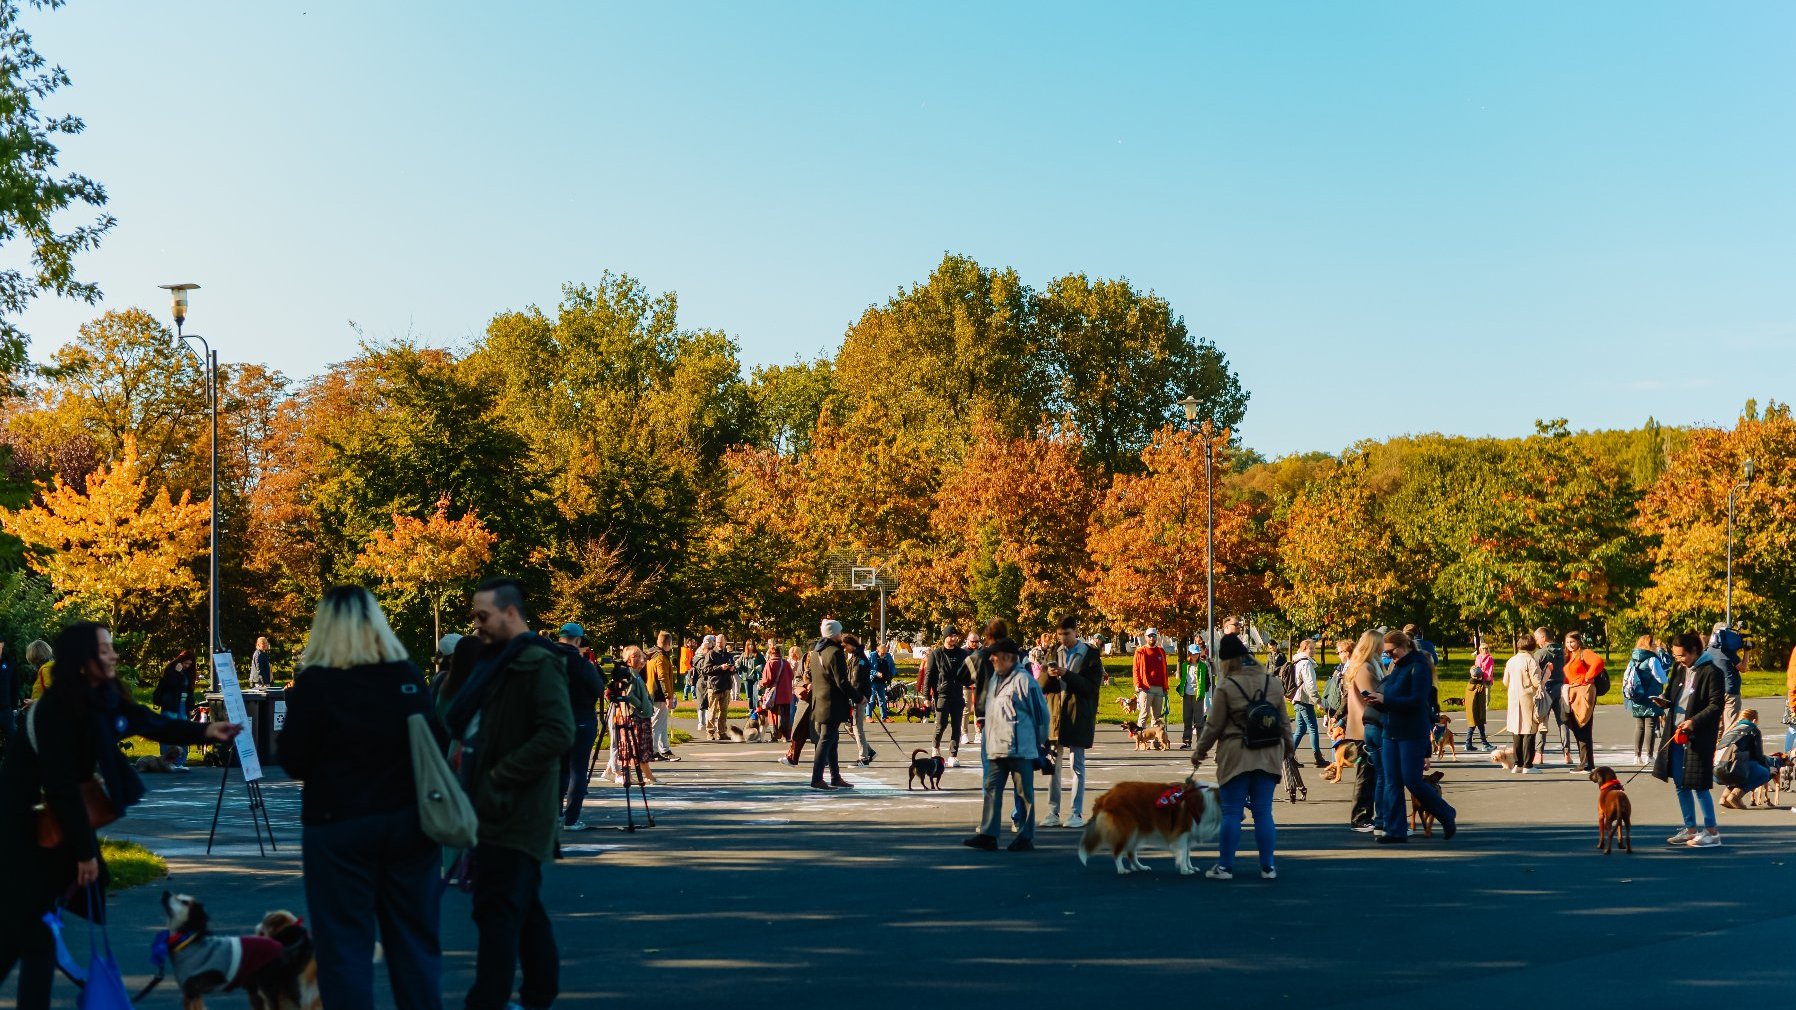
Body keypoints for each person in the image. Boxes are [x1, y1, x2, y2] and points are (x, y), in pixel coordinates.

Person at [0, 621, 238, 1009]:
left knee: (26, 932)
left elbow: (146, 720)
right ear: (82, 660)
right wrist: (84, 853)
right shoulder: (55, 711)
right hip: (24, 831)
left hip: (52, 828)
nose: (113, 655)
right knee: (32, 934)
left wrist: (207, 732)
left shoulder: (102, 697)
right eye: (104, 649)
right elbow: (60, 786)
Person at [277, 587, 446, 1010]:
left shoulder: (315, 681)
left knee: (344, 947)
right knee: (414, 942)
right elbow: (436, 741)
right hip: (409, 821)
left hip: (338, 822)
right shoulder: (405, 675)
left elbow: (294, 760)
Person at [445, 578, 575, 1010]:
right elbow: (461, 719)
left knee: (497, 910)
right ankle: (538, 994)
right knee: (522, 908)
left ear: (511, 613)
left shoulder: (536, 661)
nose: (476, 625)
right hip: (491, 806)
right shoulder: (492, 660)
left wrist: (501, 773)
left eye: (483, 616)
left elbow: (558, 731)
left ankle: (488, 1001)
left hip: (514, 810)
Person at [1192, 631, 1291, 879]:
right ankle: (1268, 867)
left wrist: (1199, 752)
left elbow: (1213, 726)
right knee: (1263, 812)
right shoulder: (1272, 682)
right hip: (1268, 753)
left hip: (1236, 754)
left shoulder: (1227, 686)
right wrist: (1288, 747)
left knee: (1232, 813)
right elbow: (1284, 722)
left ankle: (1225, 867)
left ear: (1225, 661)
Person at [1367, 630, 1456, 842]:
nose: (1389, 656)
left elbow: (1417, 700)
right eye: (1386, 653)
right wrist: (1379, 700)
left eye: (1391, 651)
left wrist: (1385, 699)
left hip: (1412, 732)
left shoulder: (1419, 667)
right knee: (1392, 781)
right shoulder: (1398, 667)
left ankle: (1445, 812)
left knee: (1412, 780)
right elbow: (1395, 696)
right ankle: (1395, 829)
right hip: (1391, 729)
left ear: (1404, 646)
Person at [963, 638, 1049, 852]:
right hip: (995, 748)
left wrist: (1040, 745)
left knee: (1024, 794)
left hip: (1020, 749)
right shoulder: (995, 679)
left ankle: (1025, 837)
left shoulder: (1024, 681)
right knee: (991, 790)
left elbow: (1041, 716)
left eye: (996, 656)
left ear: (1009, 658)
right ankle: (988, 834)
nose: (991, 658)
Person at [1651, 631, 1726, 848]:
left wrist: (1693, 721)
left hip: (1698, 735)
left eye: (1682, 655)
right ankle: (1690, 827)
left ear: (1695, 651)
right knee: (1680, 782)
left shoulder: (1712, 672)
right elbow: (1672, 693)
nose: (1679, 660)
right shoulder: (1679, 668)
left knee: (1698, 783)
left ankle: (1712, 831)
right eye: (1675, 656)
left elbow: (1715, 705)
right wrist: (1664, 700)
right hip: (1675, 732)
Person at [1041, 616, 1100, 829]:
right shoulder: (1053, 653)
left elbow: (1091, 687)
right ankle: (1052, 812)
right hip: (1056, 716)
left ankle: (1076, 813)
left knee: (1077, 766)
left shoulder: (1090, 654)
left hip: (1078, 716)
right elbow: (1041, 686)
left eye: (1067, 634)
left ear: (1076, 631)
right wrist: (1048, 674)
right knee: (1053, 767)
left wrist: (1067, 675)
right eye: (1060, 634)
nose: (1063, 638)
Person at [551, 623, 603, 832]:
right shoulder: (582, 665)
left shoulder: (548, 661)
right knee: (577, 770)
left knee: (558, 769)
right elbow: (598, 688)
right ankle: (572, 818)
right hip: (581, 718)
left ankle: (554, 813)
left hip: (555, 719)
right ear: (578, 640)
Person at [1343, 631, 1384, 832]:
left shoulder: (1365, 665)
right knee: (1366, 775)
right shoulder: (1366, 668)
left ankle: (1365, 815)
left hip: (1362, 726)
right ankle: (1360, 817)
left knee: (1369, 775)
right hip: (1364, 728)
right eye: (1381, 643)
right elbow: (1375, 695)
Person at [808, 619, 853, 790]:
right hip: (832, 703)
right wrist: (858, 697)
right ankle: (817, 778)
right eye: (840, 632)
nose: (841, 635)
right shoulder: (835, 652)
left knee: (832, 740)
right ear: (834, 634)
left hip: (819, 702)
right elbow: (841, 681)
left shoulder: (816, 652)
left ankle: (835, 776)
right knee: (826, 740)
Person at [925, 631, 971, 767]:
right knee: (941, 724)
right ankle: (935, 748)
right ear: (945, 637)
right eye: (951, 636)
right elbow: (929, 676)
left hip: (957, 694)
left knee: (956, 726)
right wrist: (927, 696)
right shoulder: (936, 654)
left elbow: (968, 672)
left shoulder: (962, 654)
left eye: (956, 636)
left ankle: (953, 755)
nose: (954, 638)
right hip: (942, 694)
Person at [1562, 632, 1604, 773]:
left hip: (1583, 692)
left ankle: (1585, 764)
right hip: (1572, 692)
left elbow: (1598, 662)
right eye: (1567, 642)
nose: (1569, 645)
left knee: (1583, 726)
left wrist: (1587, 677)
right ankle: (1587, 762)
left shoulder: (1584, 653)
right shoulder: (1569, 656)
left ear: (1579, 642)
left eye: (1572, 642)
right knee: (1576, 725)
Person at [1502, 636, 1544, 773]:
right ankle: (1528, 765)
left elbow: (1505, 681)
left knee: (1516, 730)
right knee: (1529, 730)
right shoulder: (1530, 660)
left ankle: (1517, 764)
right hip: (1528, 697)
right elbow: (1537, 682)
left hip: (1513, 697)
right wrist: (1546, 673)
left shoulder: (1511, 660)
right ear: (1533, 646)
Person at [1623, 635, 1667, 763]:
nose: (1655, 646)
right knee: (1651, 725)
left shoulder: (1633, 659)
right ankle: (1649, 755)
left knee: (1639, 726)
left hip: (1637, 695)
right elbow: (1661, 678)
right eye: (1653, 643)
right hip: (1651, 696)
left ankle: (1637, 756)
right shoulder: (1652, 659)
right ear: (1648, 645)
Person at [152, 650, 199, 770]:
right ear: (180, 660)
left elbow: (190, 691)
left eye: (189, 664)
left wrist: (190, 708)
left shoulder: (189, 672)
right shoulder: (171, 669)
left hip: (183, 706)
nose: (187, 666)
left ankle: (180, 762)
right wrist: (177, 673)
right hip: (171, 705)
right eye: (185, 663)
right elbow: (169, 686)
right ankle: (166, 761)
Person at [1717, 709, 1771, 810]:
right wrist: (1769, 768)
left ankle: (1724, 797)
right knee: (1763, 773)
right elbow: (1758, 756)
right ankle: (1735, 797)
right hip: (1732, 770)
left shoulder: (1731, 729)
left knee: (1739, 766)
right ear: (1754, 720)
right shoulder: (1753, 729)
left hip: (1717, 771)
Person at [1532, 627, 1567, 767]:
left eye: (1537, 639)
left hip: (1546, 689)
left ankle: (1539, 754)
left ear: (1543, 638)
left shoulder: (1540, 653)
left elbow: (1535, 672)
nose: (1536, 642)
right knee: (1563, 721)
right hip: (1561, 688)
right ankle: (1567, 754)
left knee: (1542, 721)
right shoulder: (1563, 652)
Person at [1288, 638, 1324, 768]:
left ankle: (1288, 755)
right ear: (1304, 649)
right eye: (1311, 648)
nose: (1313, 651)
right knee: (1313, 727)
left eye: (1314, 648)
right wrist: (1317, 700)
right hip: (1304, 699)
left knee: (1301, 729)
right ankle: (1318, 757)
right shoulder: (1306, 663)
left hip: (1298, 699)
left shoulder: (1298, 661)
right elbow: (1310, 684)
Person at [645, 631, 679, 760]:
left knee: (662, 723)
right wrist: (668, 696)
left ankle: (664, 749)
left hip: (653, 692)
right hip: (659, 694)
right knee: (656, 723)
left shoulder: (652, 655)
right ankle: (653, 751)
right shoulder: (661, 657)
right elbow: (663, 677)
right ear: (668, 643)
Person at [1707, 623, 1747, 728]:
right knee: (1730, 725)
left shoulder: (1708, 650)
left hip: (1715, 690)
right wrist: (1747, 652)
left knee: (1718, 726)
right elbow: (1742, 668)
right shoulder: (1728, 651)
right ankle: (1727, 745)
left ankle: (1717, 744)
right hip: (1730, 691)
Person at [1131, 628, 1168, 728]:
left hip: (1159, 688)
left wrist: (1165, 687)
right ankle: (1141, 738)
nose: (1152, 638)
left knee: (1157, 716)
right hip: (1145, 687)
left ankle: (1155, 741)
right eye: (1150, 636)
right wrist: (1137, 684)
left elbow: (1165, 670)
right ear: (1146, 637)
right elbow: (1136, 669)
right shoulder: (1140, 651)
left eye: (1154, 636)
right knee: (1144, 714)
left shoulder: (1161, 651)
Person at [760, 642, 795, 741]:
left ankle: (775, 735)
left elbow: (767, 679)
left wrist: (761, 683)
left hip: (774, 695)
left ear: (771, 653)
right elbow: (791, 676)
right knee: (786, 715)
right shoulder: (785, 662)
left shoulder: (770, 663)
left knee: (774, 715)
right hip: (786, 693)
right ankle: (787, 736)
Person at [1180, 641, 1209, 749]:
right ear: (1189, 654)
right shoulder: (1185, 665)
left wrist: (1202, 691)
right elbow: (1183, 680)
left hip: (1198, 695)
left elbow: (1207, 680)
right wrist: (1181, 690)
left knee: (1199, 720)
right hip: (1187, 694)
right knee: (1187, 718)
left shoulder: (1202, 666)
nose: (1195, 656)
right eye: (1193, 654)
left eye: (1197, 654)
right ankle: (1187, 741)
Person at [1464, 643, 1493, 750]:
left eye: (1486, 648)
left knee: (1472, 727)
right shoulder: (1480, 687)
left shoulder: (1469, 685)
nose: (1485, 650)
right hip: (1478, 713)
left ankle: (1468, 744)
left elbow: (1489, 670)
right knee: (1479, 727)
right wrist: (1482, 715)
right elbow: (1481, 703)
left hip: (1470, 712)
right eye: (1483, 648)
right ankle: (1484, 744)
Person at [869, 640, 897, 721]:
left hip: (882, 681)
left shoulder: (888, 656)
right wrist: (875, 673)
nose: (884, 655)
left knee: (883, 699)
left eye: (885, 653)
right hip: (873, 681)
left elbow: (892, 666)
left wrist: (892, 674)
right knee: (871, 699)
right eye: (882, 653)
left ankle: (884, 717)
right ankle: (868, 716)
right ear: (878, 650)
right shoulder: (872, 656)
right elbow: (868, 668)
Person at [734, 639, 763, 715]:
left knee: (755, 695)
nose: (751, 646)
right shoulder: (744, 655)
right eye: (749, 645)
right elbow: (738, 666)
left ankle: (757, 710)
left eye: (752, 645)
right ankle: (751, 710)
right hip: (747, 678)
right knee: (749, 695)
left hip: (756, 678)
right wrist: (737, 664)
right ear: (746, 646)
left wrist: (760, 667)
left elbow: (764, 664)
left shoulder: (758, 655)